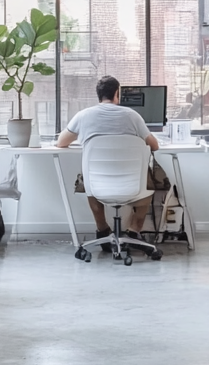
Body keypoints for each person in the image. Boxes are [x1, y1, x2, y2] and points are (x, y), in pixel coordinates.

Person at [55, 75, 159, 246]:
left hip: (98, 187)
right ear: (117, 93)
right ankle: (134, 231)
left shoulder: (84, 116)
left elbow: (61, 142)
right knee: (150, 182)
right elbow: (154, 146)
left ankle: (102, 230)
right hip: (132, 185)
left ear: (99, 95)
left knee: (88, 180)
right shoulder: (133, 116)